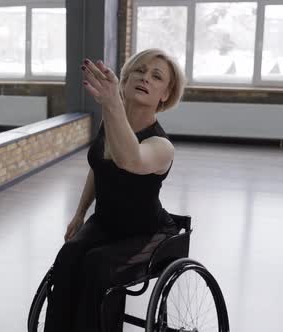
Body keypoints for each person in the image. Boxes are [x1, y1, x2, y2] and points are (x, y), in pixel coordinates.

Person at [43, 48, 186, 332]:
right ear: (127, 77)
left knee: (97, 266)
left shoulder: (162, 146)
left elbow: (129, 159)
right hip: (105, 224)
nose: (145, 78)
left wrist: (112, 105)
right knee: (68, 257)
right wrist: (80, 213)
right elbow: (100, 168)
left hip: (144, 232)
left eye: (156, 76)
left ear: (165, 95)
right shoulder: (110, 126)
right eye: (140, 70)